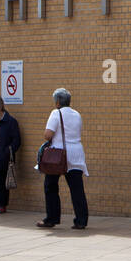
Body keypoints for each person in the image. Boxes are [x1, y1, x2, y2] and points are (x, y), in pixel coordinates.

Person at [38, 87, 89, 230]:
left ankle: (52, 218)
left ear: (58, 102)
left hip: (58, 155)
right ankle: (81, 220)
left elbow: (48, 135)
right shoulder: (77, 114)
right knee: (77, 188)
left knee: (51, 186)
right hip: (76, 153)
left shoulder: (56, 113)